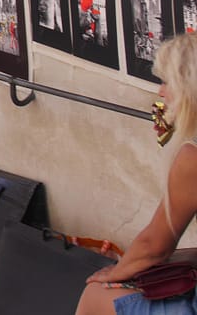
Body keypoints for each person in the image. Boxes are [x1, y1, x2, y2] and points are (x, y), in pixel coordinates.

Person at [77, 34, 197, 315]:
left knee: (95, 295)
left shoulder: (192, 158)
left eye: (167, 82)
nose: (161, 92)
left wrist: (117, 271)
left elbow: (155, 245)